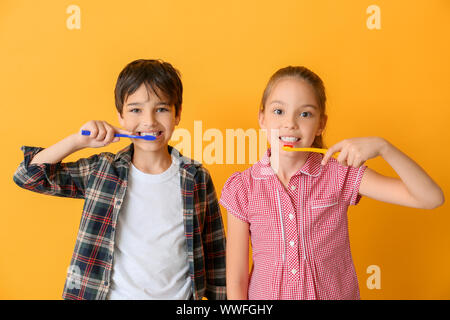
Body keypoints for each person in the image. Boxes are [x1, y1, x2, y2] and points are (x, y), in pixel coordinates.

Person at [220, 66, 444, 300]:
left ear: (321, 124)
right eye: (279, 111)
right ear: (262, 118)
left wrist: (383, 147)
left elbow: (430, 198)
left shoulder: (339, 174)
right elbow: (236, 280)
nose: (290, 123)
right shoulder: (243, 187)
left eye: (305, 114)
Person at [13, 59, 226, 300]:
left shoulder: (196, 177)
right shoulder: (103, 171)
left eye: (162, 109)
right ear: (120, 116)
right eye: (136, 109)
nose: (149, 121)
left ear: (177, 114)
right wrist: (78, 141)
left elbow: (216, 256)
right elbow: (28, 175)